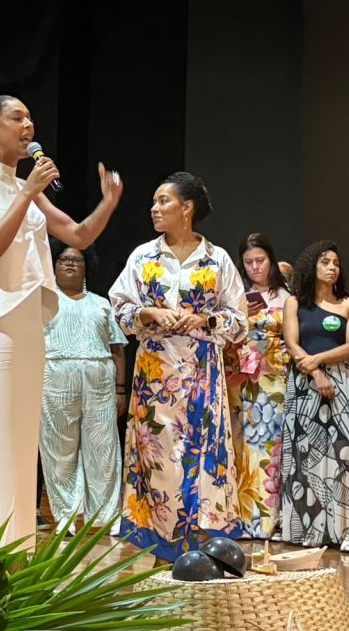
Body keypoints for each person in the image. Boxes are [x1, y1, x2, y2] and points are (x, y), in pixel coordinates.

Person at [0, 94, 122, 547]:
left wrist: (107, 203)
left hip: (30, 315)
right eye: (17, 118)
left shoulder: (26, 187)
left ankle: (16, 543)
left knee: (23, 436)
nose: (28, 125)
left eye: (30, 118)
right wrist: (28, 191)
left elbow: (78, 234)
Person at [110, 171, 246, 564]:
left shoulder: (216, 258)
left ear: (186, 208)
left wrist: (204, 320)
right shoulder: (143, 256)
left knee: (201, 452)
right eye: (153, 202)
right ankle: (162, 545)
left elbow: (239, 319)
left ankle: (203, 543)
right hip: (155, 372)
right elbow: (119, 306)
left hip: (202, 369)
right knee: (157, 454)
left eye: (163, 201)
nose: (154, 208)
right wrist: (149, 311)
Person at [281, 240, 349, 552]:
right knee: (306, 453)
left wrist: (319, 362)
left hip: (342, 380)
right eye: (325, 262)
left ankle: (347, 532)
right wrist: (315, 373)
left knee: (343, 453)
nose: (332, 268)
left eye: (336, 263)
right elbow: (292, 343)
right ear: (311, 268)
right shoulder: (294, 303)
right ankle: (309, 529)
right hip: (305, 382)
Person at [39, 241, 127, 533]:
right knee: (59, 449)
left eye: (76, 260)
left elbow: (118, 349)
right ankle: (65, 516)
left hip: (99, 378)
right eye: (63, 259)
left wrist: (120, 389)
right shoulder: (44, 302)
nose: (69, 263)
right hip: (56, 376)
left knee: (102, 448)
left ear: (86, 267)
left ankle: (105, 518)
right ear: (53, 265)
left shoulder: (101, 303)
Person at [224, 232, 291, 540]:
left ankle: (267, 521)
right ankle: (240, 518)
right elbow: (224, 335)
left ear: (271, 260)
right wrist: (239, 316)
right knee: (240, 446)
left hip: (273, 376)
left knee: (269, 446)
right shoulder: (237, 294)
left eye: (260, 260)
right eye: (248, 262)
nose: (254, 267)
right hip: (241, 377)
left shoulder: (286, 294)